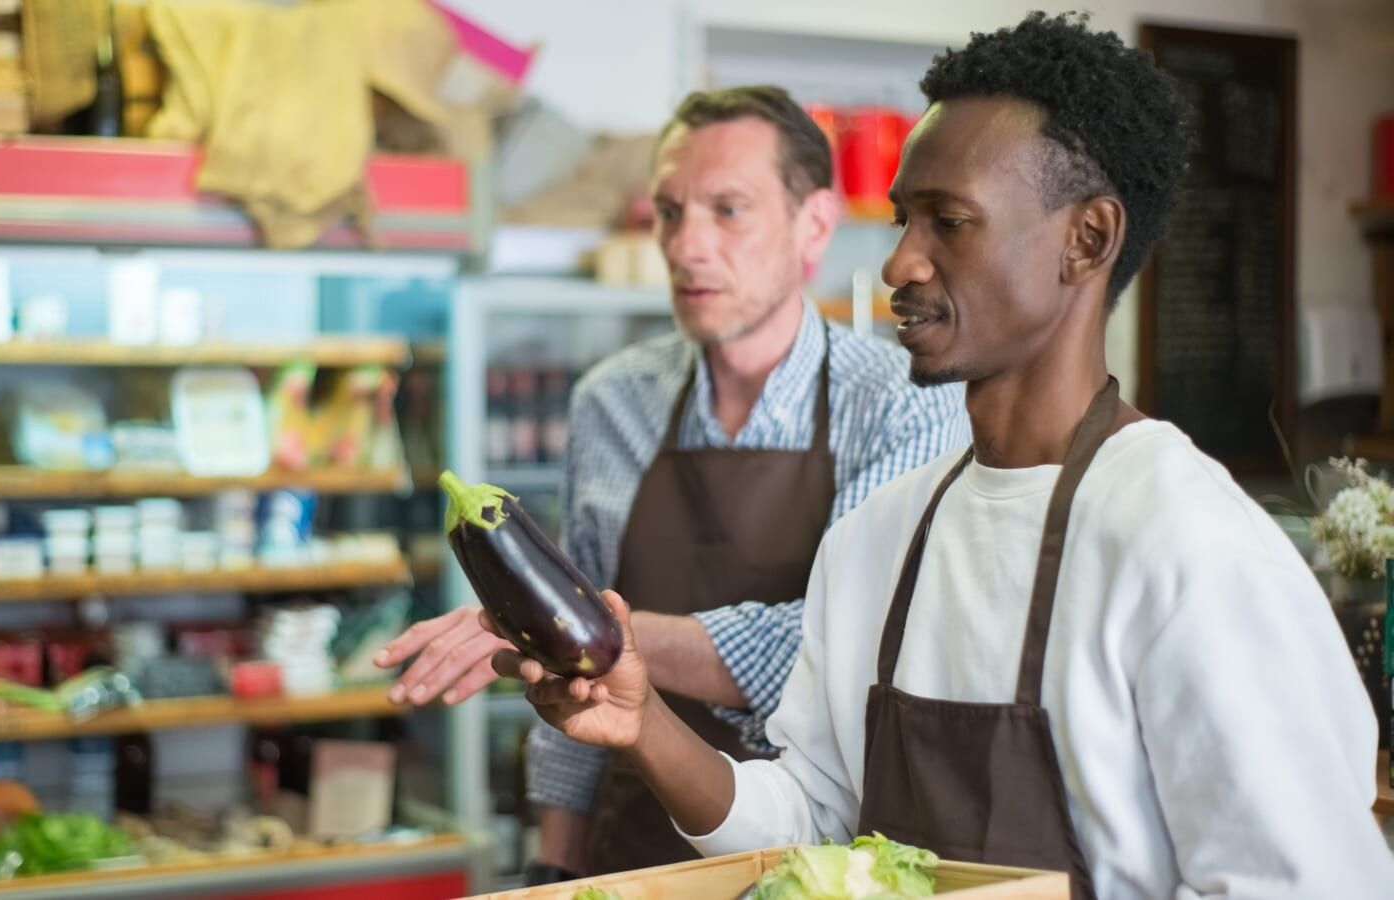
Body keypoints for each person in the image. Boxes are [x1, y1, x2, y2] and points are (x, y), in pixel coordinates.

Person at [491, 13, 1394, 899]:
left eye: (947, 224)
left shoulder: (1191, 548)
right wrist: (643, 721)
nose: (899, 265)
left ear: (1088, 239)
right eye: (901, 221)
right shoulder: (878, 539)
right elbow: (813, 821)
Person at [376, 85, 970, 880]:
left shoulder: (907, 405)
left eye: (728, 210)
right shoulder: (611, 402)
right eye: (668, 211)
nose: (687, 246)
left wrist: (566, 628)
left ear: (814, 225)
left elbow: (840, 645)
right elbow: (567, 704)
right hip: (633, 864)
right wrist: (555, 867)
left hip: (819, 867)